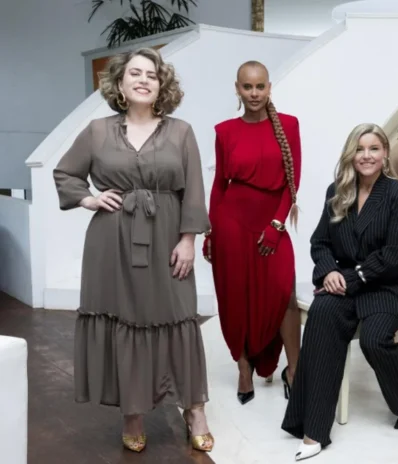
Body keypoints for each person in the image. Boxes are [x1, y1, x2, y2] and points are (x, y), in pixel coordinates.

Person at [53, 47, 214, 452]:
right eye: (135, 73)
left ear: (162, 85)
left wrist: (189, 239)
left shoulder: (181, 131)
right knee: (124, 319)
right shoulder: (97, 131)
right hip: (112, 242)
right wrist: (89, 199)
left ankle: (194, 409)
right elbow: (65, 173)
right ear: (120, 84)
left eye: (152, 75)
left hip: (167, 238)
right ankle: (133, 412)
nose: (144, 80)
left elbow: (194, 190)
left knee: (178, 317)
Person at [282, 123, 398, 461]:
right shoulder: (337, 192)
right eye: (359, 149)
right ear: (350, 155)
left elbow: (396, 256)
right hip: (345, 280)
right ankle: (313, 428)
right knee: (322, 314)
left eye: (374, 148)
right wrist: (328, 272)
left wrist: (350, 278)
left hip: (389, 284)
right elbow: (320, 243)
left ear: (385, 154)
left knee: (374, 340)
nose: (366, 156)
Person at [204, 60, 302, 405]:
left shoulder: (288, 125)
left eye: (260, 86)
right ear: (238, 89)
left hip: (270, 221)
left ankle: (295, 369)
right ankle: (243, 367)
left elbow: (292, 183)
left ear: (269, 87)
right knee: (236, 299)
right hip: (231, 225)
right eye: (248, 87)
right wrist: (210, 232)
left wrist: (276, 225)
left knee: (284, 294)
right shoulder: (225, 131)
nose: (254, 93)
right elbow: (220, 185)